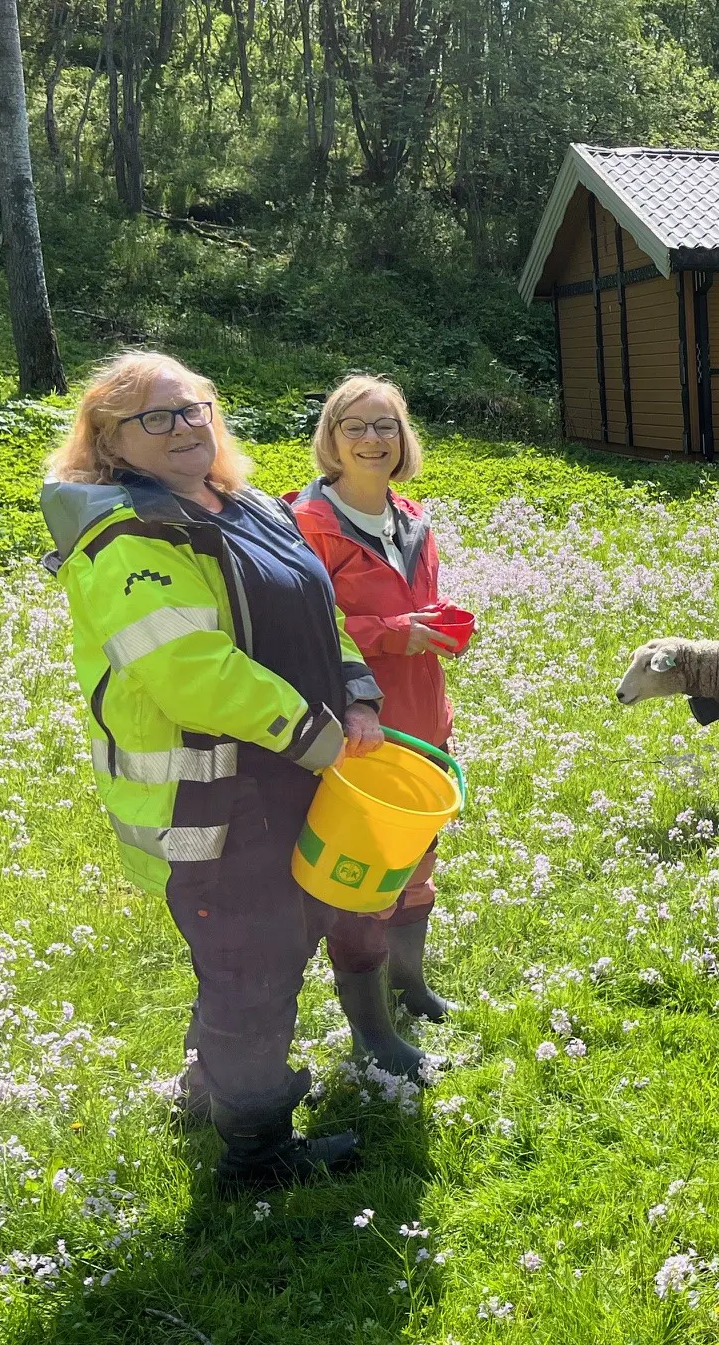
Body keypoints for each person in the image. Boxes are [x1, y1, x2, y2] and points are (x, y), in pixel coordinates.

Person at [41, 351, 386, 1192]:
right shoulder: (129, 535)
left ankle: (208, 1092)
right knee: (251, 966)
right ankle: (257, 1155)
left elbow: (317, 611)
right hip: (216, 798)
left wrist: (357, 692)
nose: (185, 426)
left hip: (288, 780)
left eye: (194, 407)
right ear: (109, 440)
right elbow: (188, 669)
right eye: (155, 417)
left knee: (254, 953)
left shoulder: (247, 505)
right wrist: (315, 734)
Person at [289, 375, 460, 1077]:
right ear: (330, 437)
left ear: (403, 439)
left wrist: (438, 628)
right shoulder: (305, 524)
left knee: (417, 859)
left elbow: (414, 608)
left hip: (423, 722)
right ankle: (372, 1033)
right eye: (354, 425)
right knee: (362, 877)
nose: (371, 439)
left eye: (386, 425)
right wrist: (395, 632)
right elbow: (302, 633)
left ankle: (409, 982)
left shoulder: (412, 517)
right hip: (355, 731)